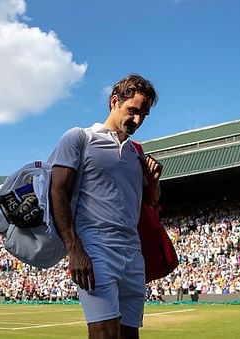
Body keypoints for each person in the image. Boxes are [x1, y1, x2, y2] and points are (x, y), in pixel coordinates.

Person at [49, 74, 161, 339]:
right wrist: (74, 250)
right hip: (96, 248)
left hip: (133, 253)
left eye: (143, 115)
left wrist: (154, 182)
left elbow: (150, 203)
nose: (137, 121)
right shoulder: (79, 138)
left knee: (129, 335)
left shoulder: (137, 152)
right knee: (104, 334)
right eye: (132, 111)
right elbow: (58, 191)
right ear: (114, 102)